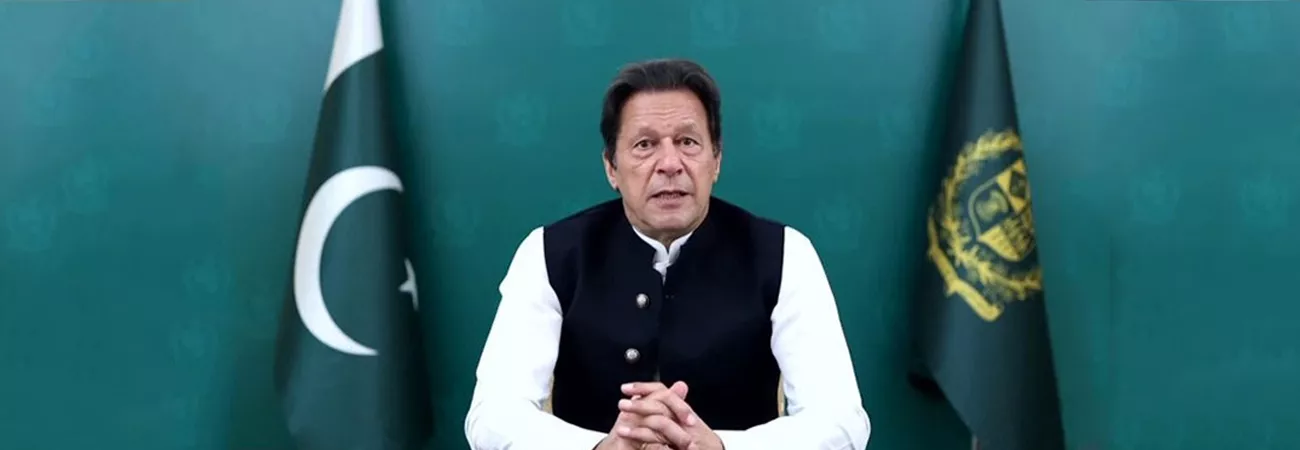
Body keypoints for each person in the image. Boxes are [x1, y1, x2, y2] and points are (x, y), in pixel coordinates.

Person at [464, 58, 871, 450]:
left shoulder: (785, 254)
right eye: (645, 145)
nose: (670, 164)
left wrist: (723, 447)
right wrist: (599, 448)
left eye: (688, 142)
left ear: (716, 160)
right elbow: (492, 416)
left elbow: (842, 421)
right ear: (611, 167)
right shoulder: (549, 253)